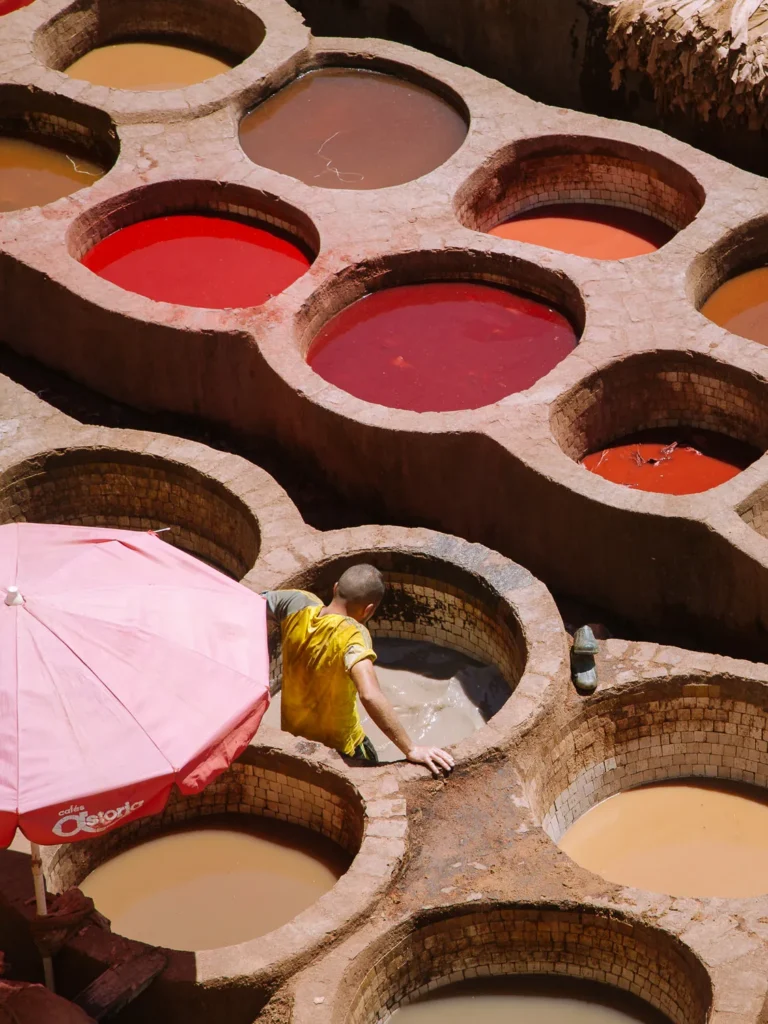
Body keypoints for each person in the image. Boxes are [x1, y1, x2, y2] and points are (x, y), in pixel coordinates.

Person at [263, 564, 454, 776]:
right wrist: (411, 748)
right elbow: (370, 694)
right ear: (369, 609)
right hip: (343, 750)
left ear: (336, 588)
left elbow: (252, 603)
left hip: (294, 742)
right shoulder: (353, 635)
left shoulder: (296, 603)